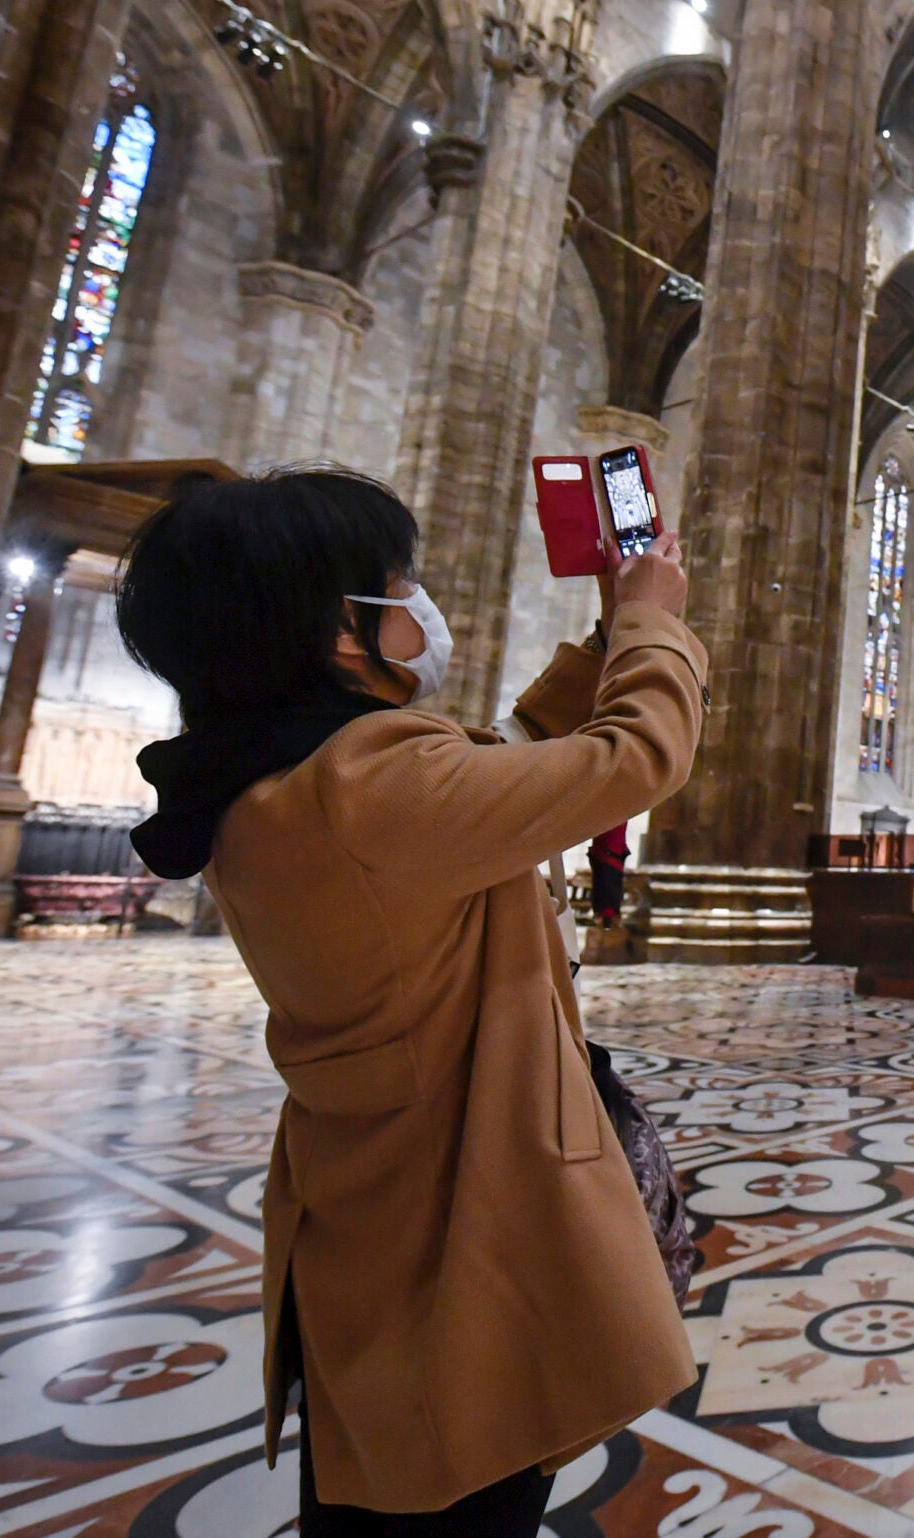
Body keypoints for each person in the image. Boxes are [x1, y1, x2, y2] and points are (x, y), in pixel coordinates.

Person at [117, 469, 701, 1535]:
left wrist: (601, 643)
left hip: (369, 1213)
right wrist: (654, 629)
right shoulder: (367, 787)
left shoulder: (274, 784)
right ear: (345, 631)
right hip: (457, 1216)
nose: (418, 601)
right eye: (402, 581)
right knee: (456, 1478)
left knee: (391, 1480)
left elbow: (501, 772)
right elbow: (635, 756)